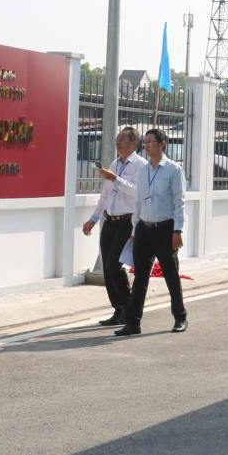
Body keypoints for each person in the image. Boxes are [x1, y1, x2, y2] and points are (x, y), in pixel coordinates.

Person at [115, 128, 189, 336]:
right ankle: (133, 322)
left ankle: (180, 317)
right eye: (145, 142)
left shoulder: (173, 170)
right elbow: (138, 202)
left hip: (165, 229)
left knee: (171, 275)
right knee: (140, 277)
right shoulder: (144, 171)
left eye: (150, 142)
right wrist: (134, 229)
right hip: (143, 229)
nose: (146, 146)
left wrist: (178, 230)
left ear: (162, 144)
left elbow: (179, 203)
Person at [82, 126, 144, 326]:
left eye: (122, 140)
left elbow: (137, 192)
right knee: (107, 269)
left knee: (114, 264)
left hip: (127, 221)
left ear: (134, 143)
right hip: (110, 221)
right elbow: (105, 195)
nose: (117, 143)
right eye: (117, 139)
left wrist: (116, 179)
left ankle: (128, 307)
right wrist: (93, 218)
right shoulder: (114, 164)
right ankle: (119, 309)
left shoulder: (141, 165)